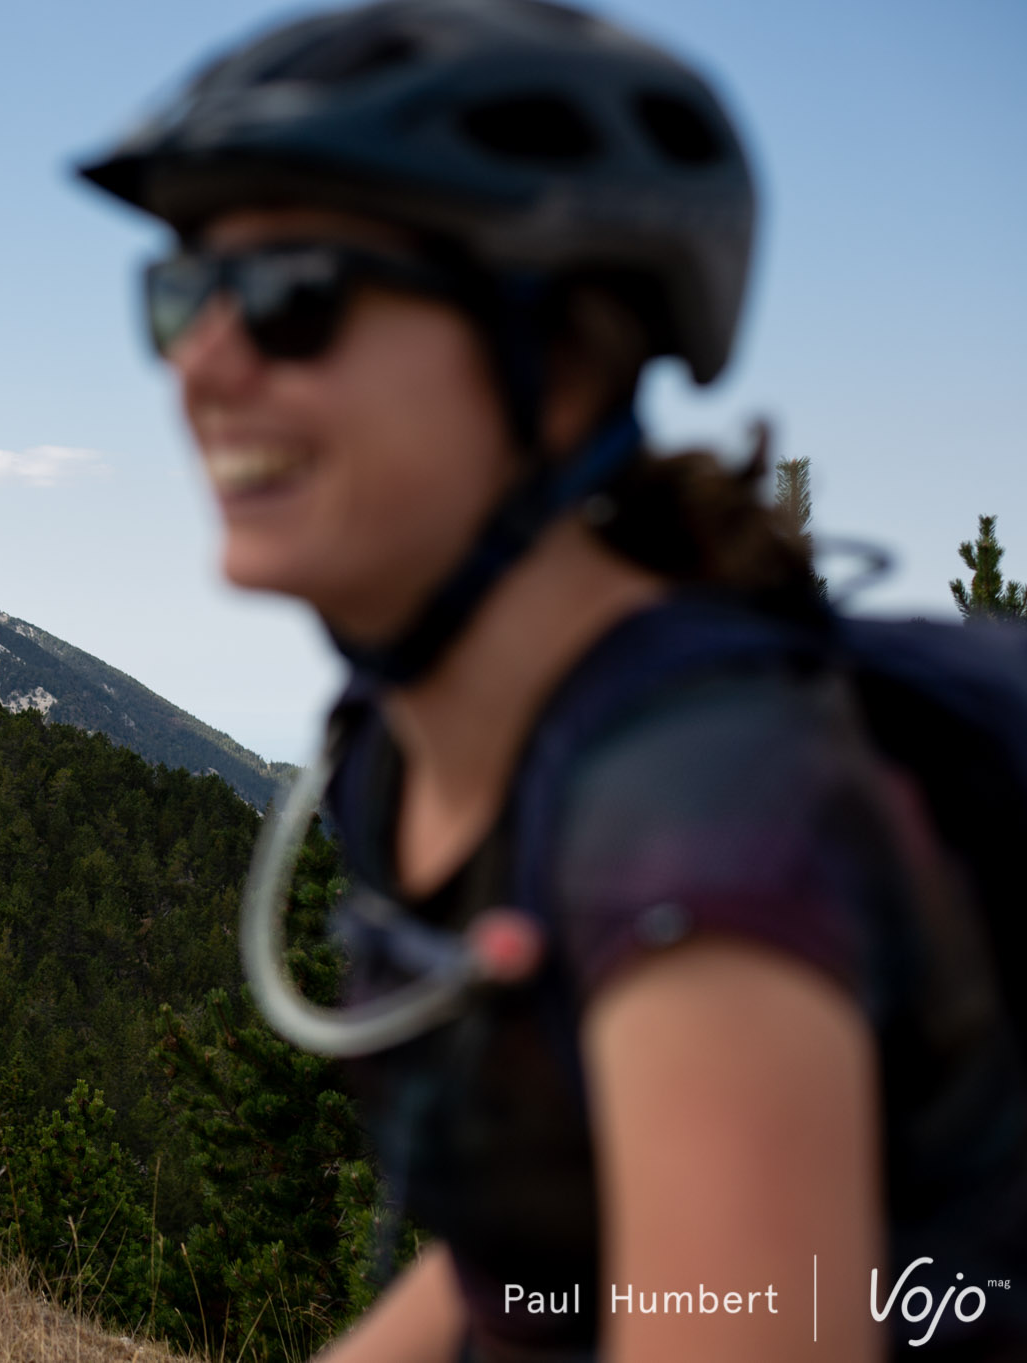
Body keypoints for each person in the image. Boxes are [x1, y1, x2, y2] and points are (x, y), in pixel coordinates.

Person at [77, 1, 1027, 1359]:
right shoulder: (414, 749)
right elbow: (533, 1239)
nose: (201, 366)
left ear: (564, 364)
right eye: (181, 295)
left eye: (295, 297)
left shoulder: (700, 824)